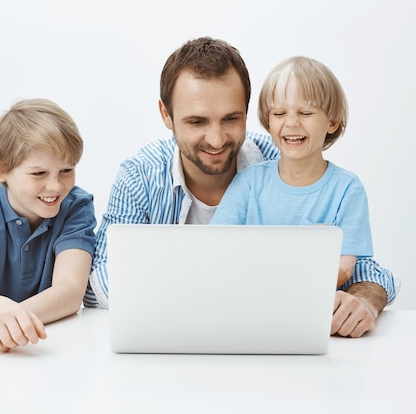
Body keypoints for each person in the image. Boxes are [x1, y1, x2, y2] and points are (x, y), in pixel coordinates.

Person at [84, 37, 397, 338]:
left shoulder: (284, 160)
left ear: (249, 113)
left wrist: (366, 301)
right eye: (197, 122)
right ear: (166, 114)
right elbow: (99, 282)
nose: (217, 139)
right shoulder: (141, 175)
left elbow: (366, 270)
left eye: (231, 119)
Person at [0, 98, 96, 352]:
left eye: (67, 170)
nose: (56, 186)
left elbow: (69, 291)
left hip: (51, 346)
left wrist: (3, 321)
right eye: (39, 173)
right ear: (1, 168)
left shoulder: (76, 206)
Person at [211, 56, 371, 289]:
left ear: (332, 122)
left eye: (306, 113)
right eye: (279, 114)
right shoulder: (248, 183)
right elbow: (216, 249)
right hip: (249, 302)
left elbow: (344, 267)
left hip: (314, 309)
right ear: (268, 122)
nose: (292, 123)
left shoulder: (347, 190)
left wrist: (285, 285)